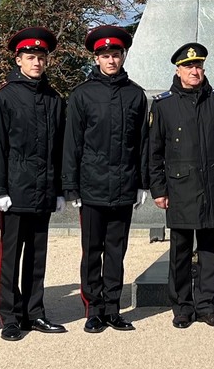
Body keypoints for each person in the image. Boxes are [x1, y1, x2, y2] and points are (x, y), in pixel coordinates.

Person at [148, 43, 214, 328]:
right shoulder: (164, 105)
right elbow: (154, 152)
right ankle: (181, 307)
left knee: (210, 250)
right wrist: (158, 189)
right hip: (180, 188)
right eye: (188, 66)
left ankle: (206, 305)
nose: (194, 71)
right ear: (178, 70)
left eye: (198, 66)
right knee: (180, 251)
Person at [63, 25, 150, 333]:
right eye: (105, 55)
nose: (111, 60)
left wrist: (143, 182)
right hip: (92, 186)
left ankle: (113, 308)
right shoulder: (82, 95)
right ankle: (93, 309)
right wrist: (71, 185)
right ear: (96, 58)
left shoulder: (136, 95)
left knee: (116, 250)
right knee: (92, 250)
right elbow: (72, 143)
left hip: (125, 184)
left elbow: (142, 143)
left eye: (116, 54)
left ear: (123, 56)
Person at [0, 27, 67, 341]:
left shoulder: (54, 99)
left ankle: (35, 313)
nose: (37, 62)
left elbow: (60, 148)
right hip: (14, 190)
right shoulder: (3, 98)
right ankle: (9, 317)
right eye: (31, 57)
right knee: (10, 257)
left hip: (44, 189)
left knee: (37, 256)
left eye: (42, 57)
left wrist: (60, 189)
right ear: (19, 59)